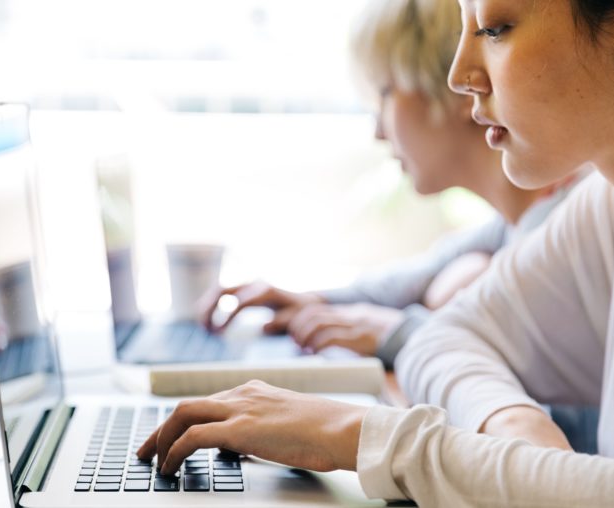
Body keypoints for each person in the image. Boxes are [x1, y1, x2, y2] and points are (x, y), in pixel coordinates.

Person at [137, 0, 614, 505]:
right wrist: (516, 433)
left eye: (494, 28)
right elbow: (444, 337)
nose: (458, 74)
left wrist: (360, 437)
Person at [198, 0, 577, 370]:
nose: (379, 131)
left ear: (462, 89)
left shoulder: (567, 229)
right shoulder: (517, 221)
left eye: (385, 93)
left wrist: (390, 332)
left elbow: (511, 353)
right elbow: (412, 281)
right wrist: (313, 301)